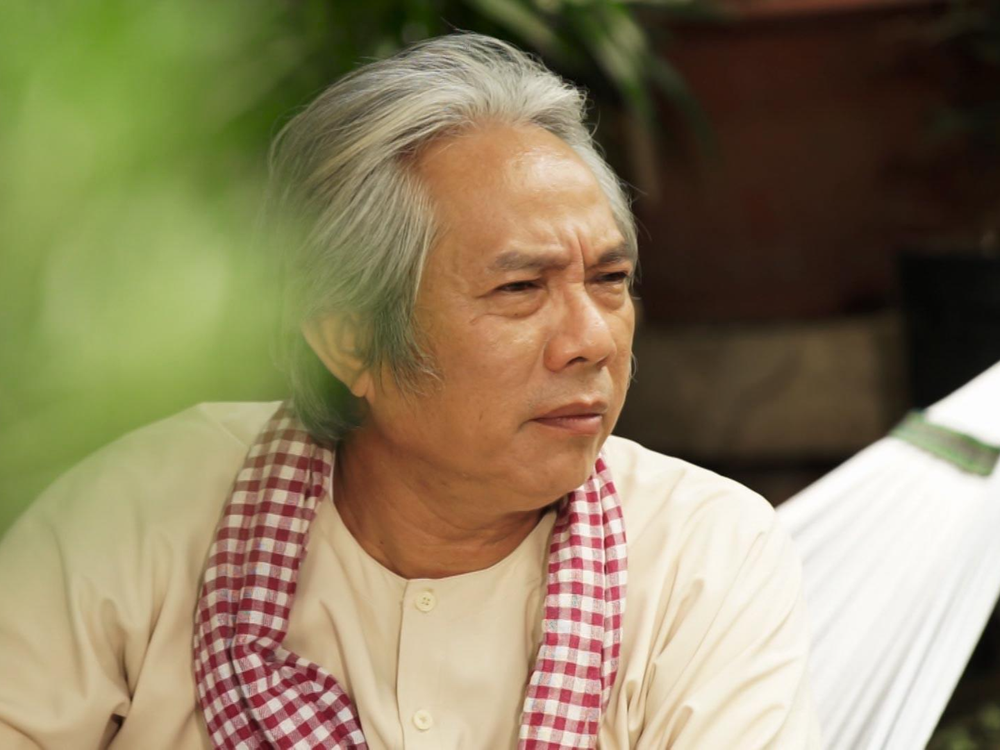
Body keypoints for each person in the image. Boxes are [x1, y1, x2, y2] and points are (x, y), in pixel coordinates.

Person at [0, 34, 822, 749]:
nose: (593, 340)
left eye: (609, 279)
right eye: (520, 289)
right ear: (351, 340)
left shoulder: (702, 557)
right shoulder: (143, 516)